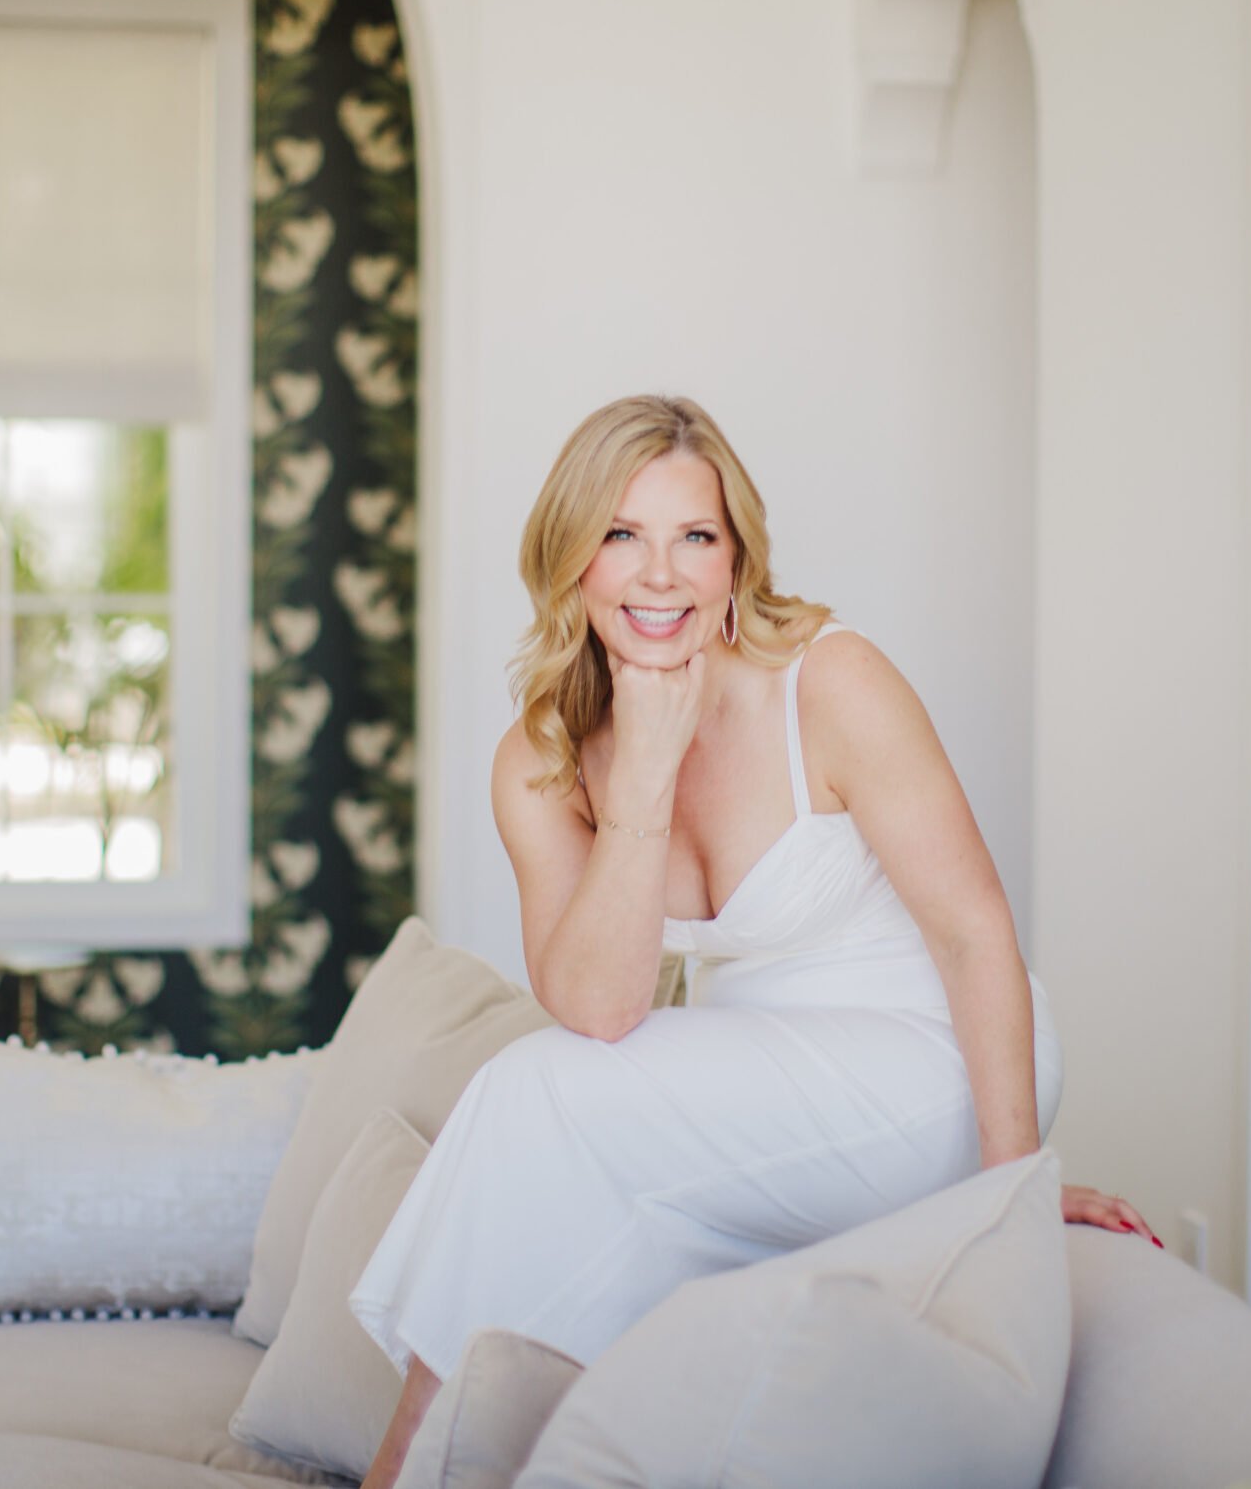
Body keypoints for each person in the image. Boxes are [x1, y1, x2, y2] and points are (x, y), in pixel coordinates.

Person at [348, 395, 1154, 1488]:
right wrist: (639, 773)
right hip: (763, 1089)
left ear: (737, 560)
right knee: (576, 1192)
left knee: (534, 1093)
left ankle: (399, 1469)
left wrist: (1009, 1198)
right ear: (570, 558)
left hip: (928, 1060)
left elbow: (974, 934)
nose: (660, 575)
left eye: (696, 538)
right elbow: (597, 1009)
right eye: (621, 536)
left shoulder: (828, 683)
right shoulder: (538, 763)